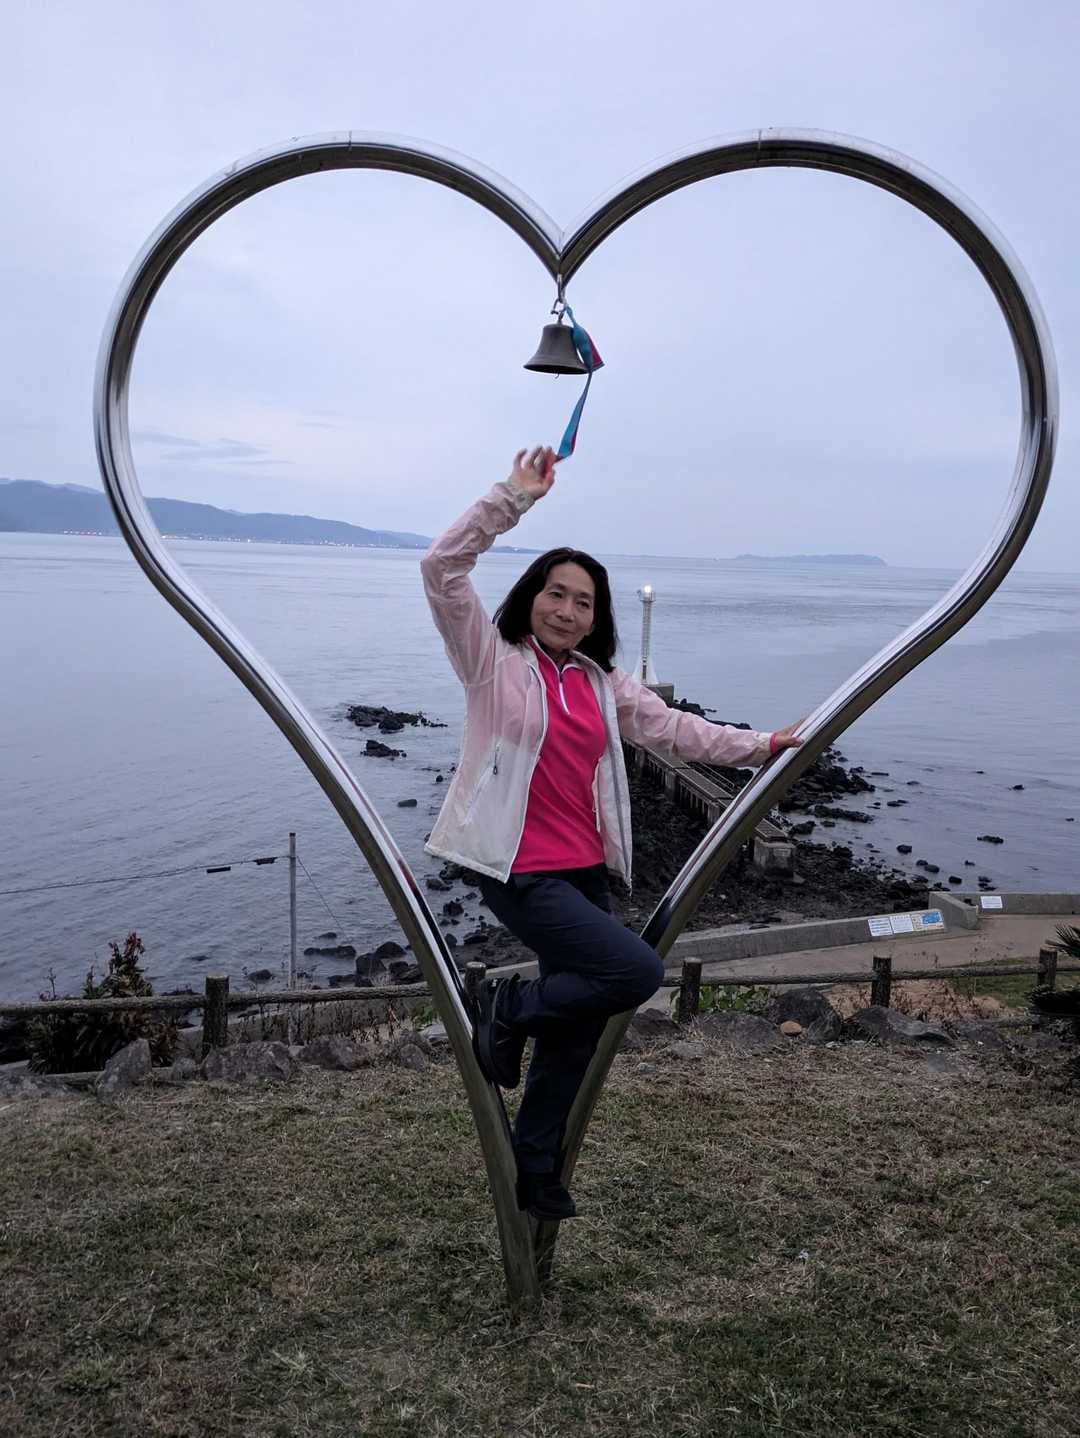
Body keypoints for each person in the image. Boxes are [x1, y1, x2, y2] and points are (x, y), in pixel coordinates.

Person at [421, 446, 803, 1221]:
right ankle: (508, 1006)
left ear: (597, 619)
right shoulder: (492, 661)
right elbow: (442, 568)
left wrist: (761, 745)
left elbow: (677, 731)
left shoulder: (601, 685)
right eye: (556, 594)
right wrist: (513, 497)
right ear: (533, 597)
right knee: (633, 973)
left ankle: (535, 1170)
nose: (567, 611)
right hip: (517, 869)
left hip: (586, 870)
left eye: (583, 603)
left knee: (579, 1025)